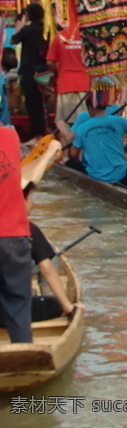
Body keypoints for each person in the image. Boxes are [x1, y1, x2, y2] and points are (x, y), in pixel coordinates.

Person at [60, 99, 127, 191]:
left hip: (96, 175)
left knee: (67, 160)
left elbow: (74, 154)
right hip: (121, 174)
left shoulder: (82, 128)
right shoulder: (120, 121)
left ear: (90, 108)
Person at [0, 123, 33, 343]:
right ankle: (23, 351)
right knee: (19, 303)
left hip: (12, 233)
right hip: (13, 235)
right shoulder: (11, 136)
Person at [28, 223, 82, 321]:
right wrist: (67, 306)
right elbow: (47, 268)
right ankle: (47, 294)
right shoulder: (27, 228)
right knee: (50, 256)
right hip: (13, 311)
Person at [46, 19, 90, 133]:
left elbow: (50, 62)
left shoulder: (59, 37)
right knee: (85, 122)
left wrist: (57, 71)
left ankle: (68, 149)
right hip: (84, 84)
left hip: (65, 84)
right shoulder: (87, 36)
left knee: (65, 125)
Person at [12, 3, 48, 137]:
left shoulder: (28, 29)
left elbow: (13, 40)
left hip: (29, 71)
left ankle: (37, 132)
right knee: (43, 102)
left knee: (32, 103)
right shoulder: (45, 28)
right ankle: (43, 130)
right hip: (44, 71)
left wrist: (20, 26)